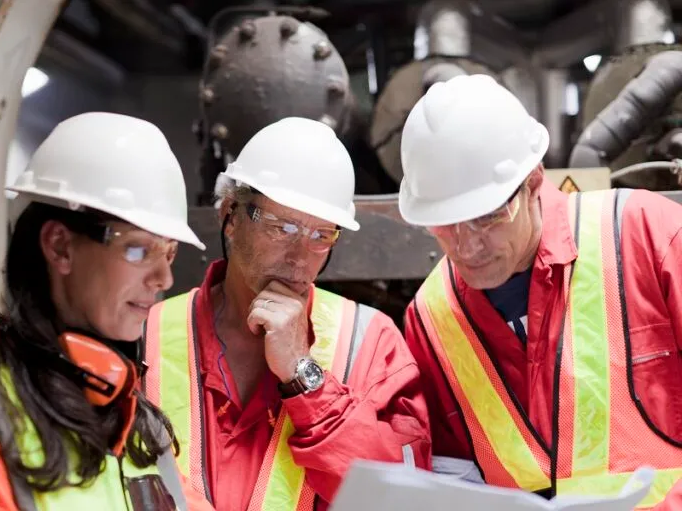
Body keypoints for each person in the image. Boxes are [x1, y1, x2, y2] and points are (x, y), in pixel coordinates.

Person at [399, 73, 682, 509]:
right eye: (444, 223)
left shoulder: (647, 235)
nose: (467, 246)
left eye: (487, 216)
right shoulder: (430, 318)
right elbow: (450, 478)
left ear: (533, 181)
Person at [0, 112, 215, 511]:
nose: (164, 277)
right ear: (59, 246)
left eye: (170, 253)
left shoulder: (135, 421)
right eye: (139, 249)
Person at [145, 117, 432, 511]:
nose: (299, 258)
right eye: (282, 228)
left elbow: (402, 500)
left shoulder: (371, 342)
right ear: (230, 216)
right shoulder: (147, 334)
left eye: (320, 235)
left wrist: (304, 376)